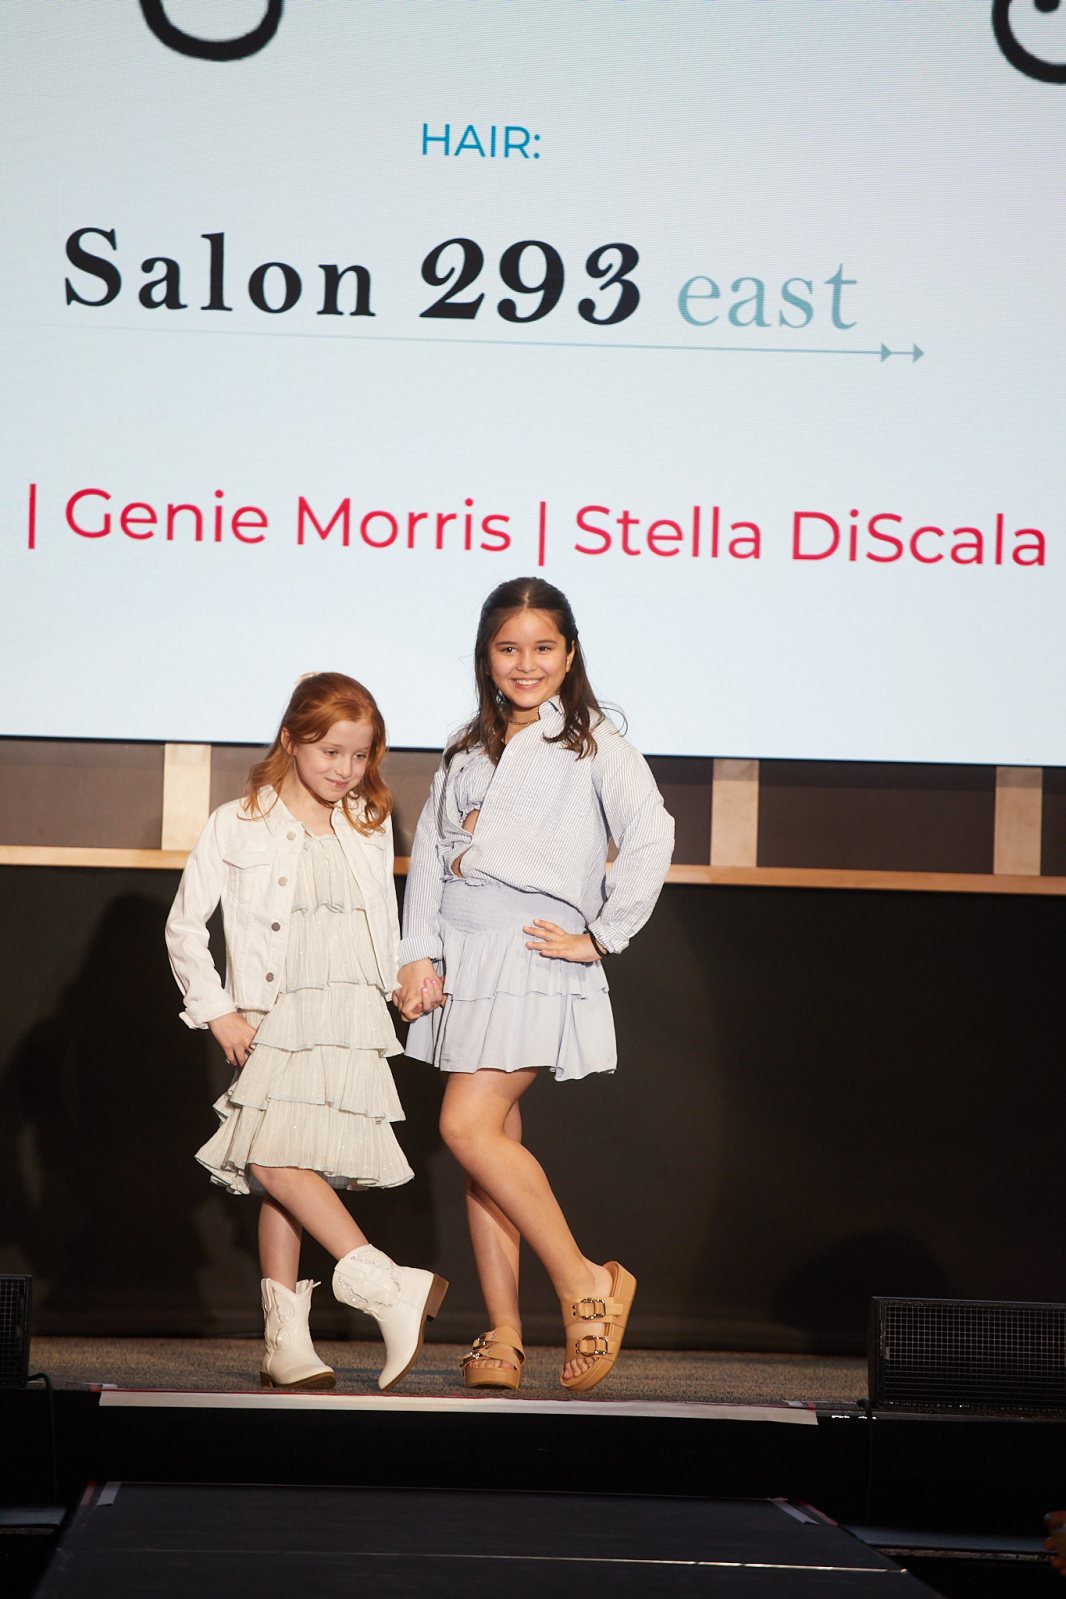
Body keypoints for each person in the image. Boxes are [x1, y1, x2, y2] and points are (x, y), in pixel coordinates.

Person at [393, 577, 673, 1394]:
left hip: (530, 953)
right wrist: (417, 956)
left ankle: (586, 1279)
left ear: (570, 652)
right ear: (486, 655)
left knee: (466, 1125)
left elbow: (652, 834)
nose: (526, 663)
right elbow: (431, 861)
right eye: (509, 647)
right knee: (491, 1147)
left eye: (543, 647)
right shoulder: (464, 748)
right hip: (463, 956)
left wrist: (603, 934)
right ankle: (506, 1332)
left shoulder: (593, 745)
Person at [165, 672, 447, 1392]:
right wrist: (218, 1009)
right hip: (275, 1011)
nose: (345, 769)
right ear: (290, 739)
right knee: (273, 1160)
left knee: (286, 1170)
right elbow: (185, 926)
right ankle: (386, 1288)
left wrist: (400, 982)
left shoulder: (367, 820)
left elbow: (380, 918)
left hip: (346, 1012)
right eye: (330, 752)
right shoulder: (237, 821)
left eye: (359, 755)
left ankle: (286, 1345)